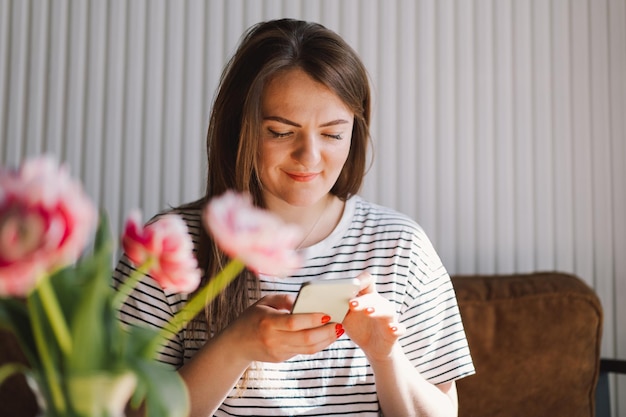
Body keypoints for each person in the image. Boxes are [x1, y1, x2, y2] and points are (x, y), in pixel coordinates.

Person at [114, 18, 475, 417]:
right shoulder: (169, 247)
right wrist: (236, 347)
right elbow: (122, 409)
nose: (309, 157)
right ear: (240, 129)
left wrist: (386, 356)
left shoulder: (400, 247)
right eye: (281, 132)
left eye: (333, 134)